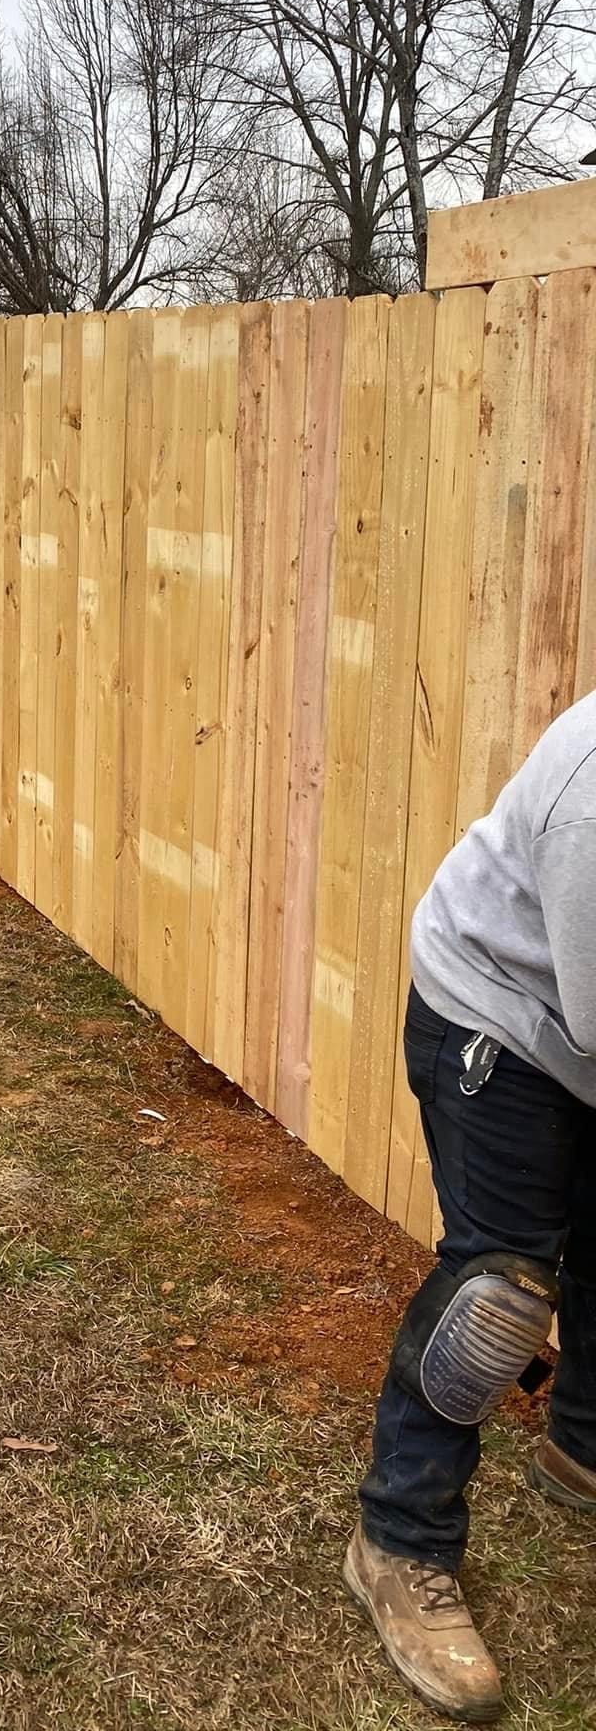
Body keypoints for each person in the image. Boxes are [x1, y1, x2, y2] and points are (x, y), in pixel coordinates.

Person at [347, 693, 596, 1723]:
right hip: (502, 1014)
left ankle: (581, 1445)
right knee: (497, 1294)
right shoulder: (593, 799)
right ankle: (399, 1539)